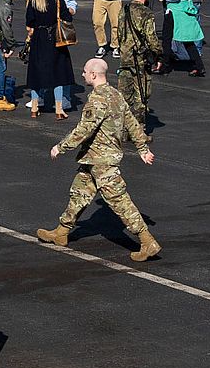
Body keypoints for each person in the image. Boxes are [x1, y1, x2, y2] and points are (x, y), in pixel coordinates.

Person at [35, 58, 160, 262]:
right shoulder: (115, 95)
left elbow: (84, 129)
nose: (83, 74)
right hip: (93, 160)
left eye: (85, 71)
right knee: (79, 193)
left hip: (102, 161)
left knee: (120, 202)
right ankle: (61, 231)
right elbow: (133, 123)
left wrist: (61, 147)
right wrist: (142, 149)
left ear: (93, 75)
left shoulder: (98, 100)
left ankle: (147, 241)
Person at [25, 0, 76, 119]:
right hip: (55, 38)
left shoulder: (34, 1)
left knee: (36, 73)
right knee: (58, 73)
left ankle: (34, 107)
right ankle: (59, 109)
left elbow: (29, 22)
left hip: (39, 38)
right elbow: (67, 17)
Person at [116, 0, 161, 129]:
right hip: (139, 59)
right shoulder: (146, 13)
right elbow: (151, 37)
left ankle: (124, 129)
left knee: (124, 95)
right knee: (141, 95)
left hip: (125, 56)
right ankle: (139, 129)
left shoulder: (124, 9)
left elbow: (120, 32)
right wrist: (158, 54)